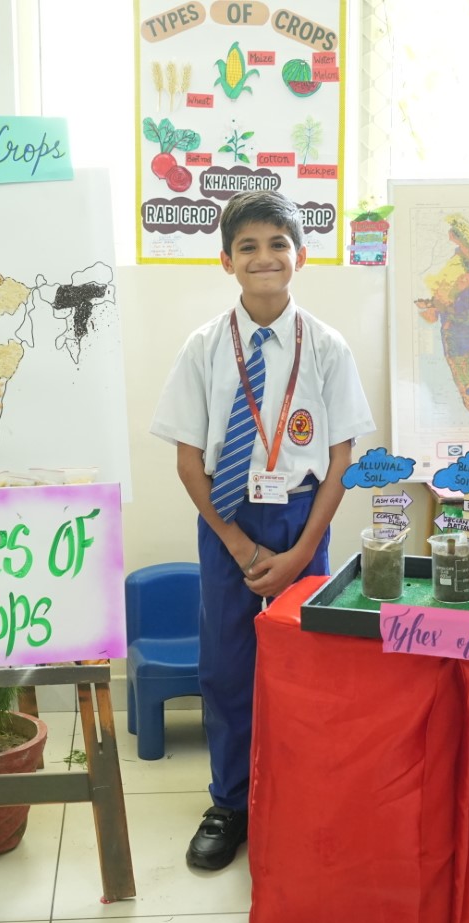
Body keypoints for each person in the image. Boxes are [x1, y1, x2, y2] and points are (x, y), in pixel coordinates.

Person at [150, 190, 375, 870]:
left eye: (278, 244)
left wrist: (303, 550)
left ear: (300, 255)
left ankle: (300, 794)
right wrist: (239, 544)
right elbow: (188, 460)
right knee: (227, 665)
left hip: (303, 517)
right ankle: (230, 801)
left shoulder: (327, 346)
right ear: (227, 261)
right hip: (229, 523)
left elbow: (341, 459)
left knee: (305, 664)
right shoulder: (203, 348)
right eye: (247, 246)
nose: (264, 257)